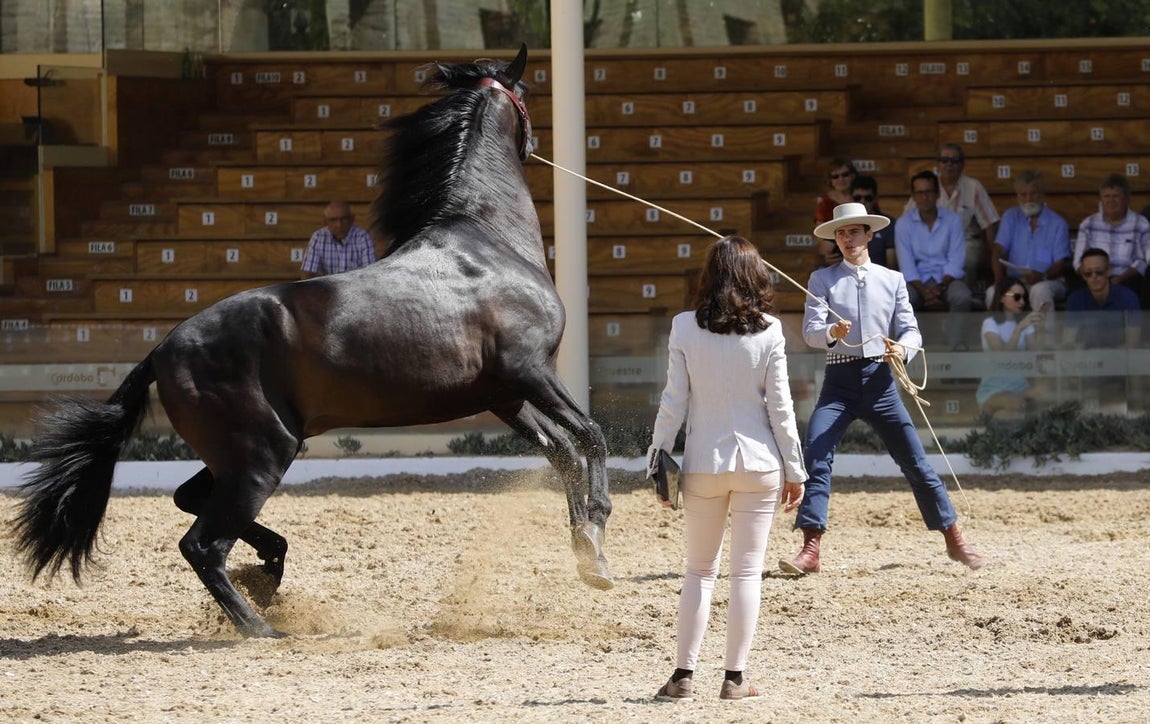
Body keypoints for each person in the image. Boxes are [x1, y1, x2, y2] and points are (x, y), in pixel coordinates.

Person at [778, 202, 985, 576]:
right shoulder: (821, 279)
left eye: (853, 232)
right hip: (838, 381)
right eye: (840, 233)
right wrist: (830, 333)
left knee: (915, 461)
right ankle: (810, 548)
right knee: (817, 455)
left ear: (869, 236)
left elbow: (911, 331)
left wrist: (901, 348)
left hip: (880, 381)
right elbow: (810, 332)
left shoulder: (893, 280)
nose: (847, 239)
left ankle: (955, 538)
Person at [647, 235, 807, 702]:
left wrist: (657, 458)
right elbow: (781, 409)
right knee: (745, 574)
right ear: (754, 276)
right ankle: (734, 680)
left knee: (699, 572)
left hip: (703, 464)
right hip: (759, 465)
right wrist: (796, 469)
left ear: (710, 276)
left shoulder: (682, 327)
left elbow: (673, 402)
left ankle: (682, 676)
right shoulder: (771, 331)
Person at [904, 144, 999, 289]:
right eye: (944, 160)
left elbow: (990, 224)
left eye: (954, 161)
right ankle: (931, 294)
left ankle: (965, 293)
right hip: (931, 241)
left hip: (965, 242)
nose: (949, 165)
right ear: (938, 164)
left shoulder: (973, 187)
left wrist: (992, 261)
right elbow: (907, 218)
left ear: (962, 164)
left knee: (967, 256)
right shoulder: (928, 186)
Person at [895, 171, 973, 347]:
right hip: (916, 282)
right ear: (913, 196)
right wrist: (924, 291)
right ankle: (911, 349)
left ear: (937, 193)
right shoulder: (904, 223)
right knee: (903, 299)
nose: (925, 197)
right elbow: (906, 266)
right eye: (920, 192)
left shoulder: (952, 220)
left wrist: (939, 288)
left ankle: (955, 348)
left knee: (962, 296)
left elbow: (956, 261)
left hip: (947, 280)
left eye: (929, 191)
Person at [987, 170, 1070, 331]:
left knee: (1039, 290)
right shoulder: (1011, 217)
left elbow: (1061, 262)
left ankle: (1046, 346)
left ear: (1042, 194)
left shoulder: (1057, 223)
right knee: (993, 293)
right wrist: (999, 282)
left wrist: (1042, 276)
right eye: (1022, 195)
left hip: (1049, 281)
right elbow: (997, 250)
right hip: (1016, 282)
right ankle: (1003, 345)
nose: (1028, 200)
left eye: (1032, 194)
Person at [1071, 174, 1150, 306]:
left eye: (1116, 196)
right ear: (1101, 199)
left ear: (1127, 199)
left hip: (1128, 279)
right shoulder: (1088, 224)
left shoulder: (1141, 224)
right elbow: (1078, 262)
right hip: (1093, 277)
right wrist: (1094, 278)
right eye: (1106, 196)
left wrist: (1119, 279)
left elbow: (1144, 261)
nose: (1110, 201)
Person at [977, 278, 1046, 419]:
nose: (1022, 302)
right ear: (1002, 297)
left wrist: (1040, 329)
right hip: (995, 387)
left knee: (1047, 395)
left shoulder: (1024, 323)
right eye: (1017, 297)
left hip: (1021, 385)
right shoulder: (990, 323)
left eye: (1024, 298)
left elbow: (1034, 355)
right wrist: (1019, 328)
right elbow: (1002, 356)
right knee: (1016, 404)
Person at [1063, 248, 1142, 349]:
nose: (1094, 276)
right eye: (1088, 273)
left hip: (1120, 358)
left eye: (1099, 272)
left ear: (1109, 271)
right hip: (1086, 359)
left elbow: (1133, 343)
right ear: (1083, 275)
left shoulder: (1128, 297)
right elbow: (1069, 343)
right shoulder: (1075, 299)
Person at [820, 174, 896, 269]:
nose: (862, 201)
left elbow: (891, 264)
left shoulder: (888, 224)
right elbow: (824, 255)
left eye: (868, 198)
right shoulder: (839, 222)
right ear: (850, 198)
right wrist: (826, 259)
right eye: (857, 198)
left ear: (875, 198)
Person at [300, 200, 377, 278]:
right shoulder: (318, 237)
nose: (339, 225)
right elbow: (308, 273)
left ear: (352, 220)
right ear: (326, 222)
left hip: (355, 287)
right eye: (333, 220)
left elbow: (370, 274)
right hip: (328, 288)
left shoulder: (363, 237)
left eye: (344, 219)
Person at [814, 157, 857, 225]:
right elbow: (820, 230)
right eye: (835, 176)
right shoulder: (825, 202)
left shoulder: (863, 197)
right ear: (830, 180)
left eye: (845, 175)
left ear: (853, 175)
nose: (841, 179)